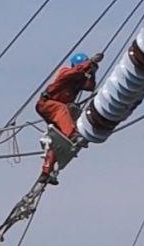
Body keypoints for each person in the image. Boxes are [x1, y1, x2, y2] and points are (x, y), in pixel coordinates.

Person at [36, 51, 100, 185]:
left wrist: (92, 72)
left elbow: (90, 87)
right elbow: (73, 73)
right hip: (47, 104)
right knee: (63, 111)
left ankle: (46, 172)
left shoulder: (80, 80)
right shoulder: (65, 72)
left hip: (56, 109)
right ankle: (71, 134)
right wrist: (90, 63)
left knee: (57, 141)